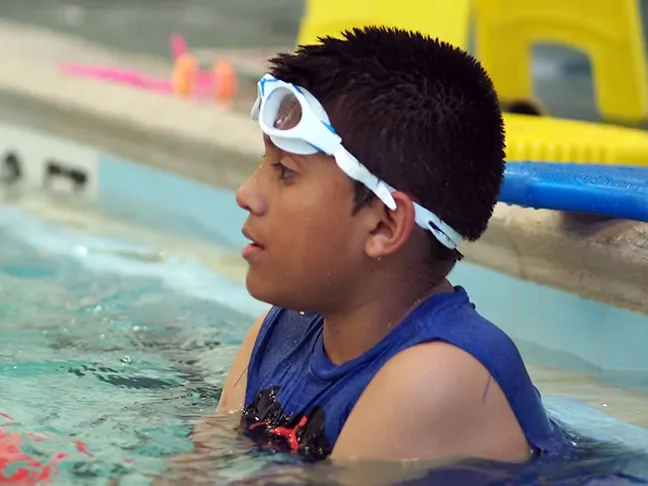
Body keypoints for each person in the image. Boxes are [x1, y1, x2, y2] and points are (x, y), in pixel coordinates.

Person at [217, 25, 568, 463]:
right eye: (263, 164)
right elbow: (202, 465)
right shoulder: (280, 332)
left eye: (285, 171)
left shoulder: (437, 377)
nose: (247, 193)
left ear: (384, 225)